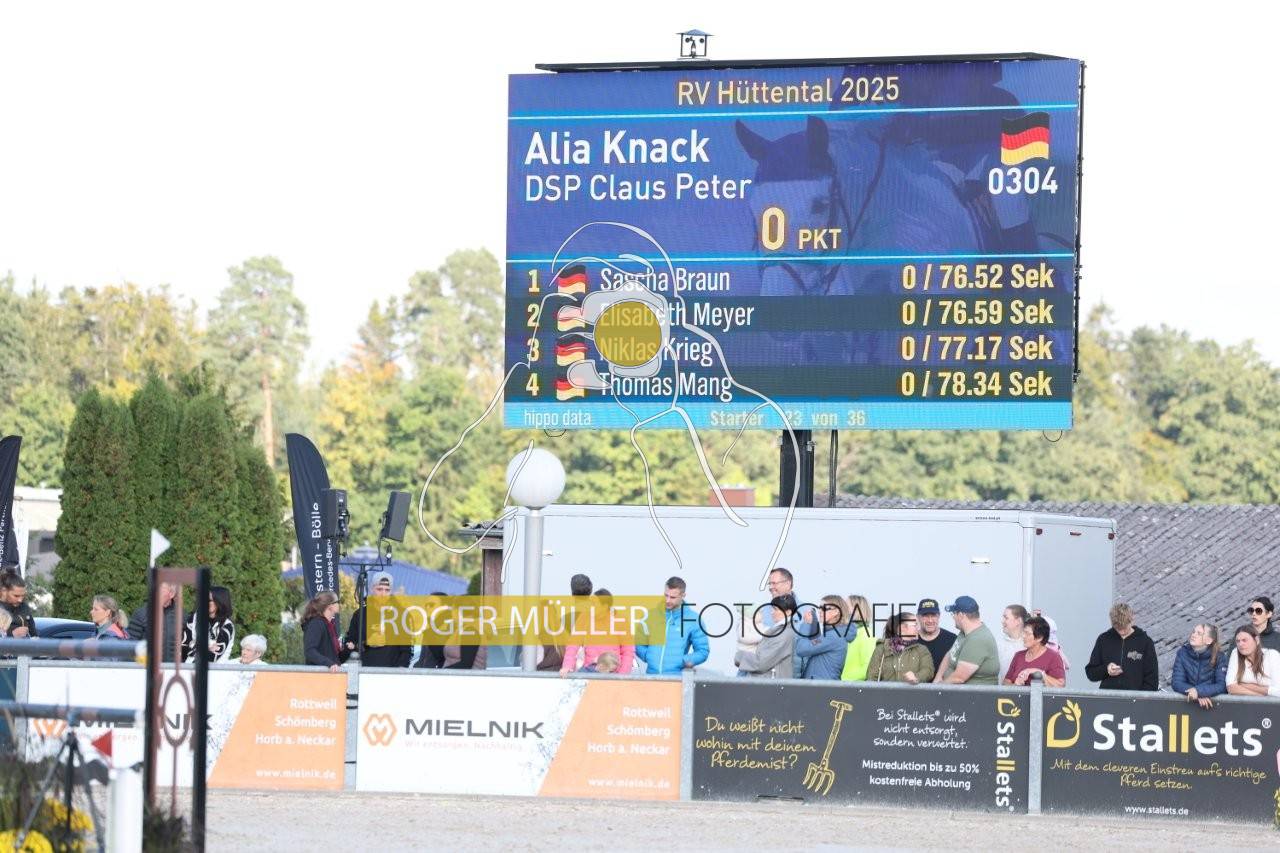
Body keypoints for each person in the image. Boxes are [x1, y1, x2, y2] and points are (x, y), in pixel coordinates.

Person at [635, 576, 709, 674]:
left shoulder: (693, 619)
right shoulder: (650, 615)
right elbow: (638, 643)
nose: (668, 600)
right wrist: (648, 656)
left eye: (673, 597)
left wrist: (684, 661)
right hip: (651, 677)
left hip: (676, 678)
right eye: (666, 595)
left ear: (683, 596)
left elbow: (703, 651)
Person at [560, 588, 635, 676]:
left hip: (613, 673)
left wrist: (622, 675)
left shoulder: (621, 620)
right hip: (590, 671)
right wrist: (567, 666)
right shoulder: (584, 617)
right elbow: (573, 644)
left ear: (605, 606)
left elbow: (628, 650)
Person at [1084, 603, 1158, 691]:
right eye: (1118, 628)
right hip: (1108, 697)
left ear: (1132, 620)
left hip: (1136, 698)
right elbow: (1091, 673)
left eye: (1124, 627)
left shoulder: (1145, 642)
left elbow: (1152, 680)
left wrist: (1140, 697)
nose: (1122, 632)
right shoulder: (1103, 639)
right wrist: (1106, 670)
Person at [345, 572, 411, 668]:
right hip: (364, 670)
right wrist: (366, 643)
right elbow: (350, 643)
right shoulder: (360, 614)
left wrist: (400, 670)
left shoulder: (401, 615)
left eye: (387, 590)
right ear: (372, 589)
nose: (383, 594)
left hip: (392, 671)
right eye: (379, 589)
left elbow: (406, 650)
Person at [932, 596, 1000, 685]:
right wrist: (938, 678)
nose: (953, 617)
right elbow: (951, 654)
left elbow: (959, 678)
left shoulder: (978, 640)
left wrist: (937, 688)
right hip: (954, 690)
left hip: (974, 693)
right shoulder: (964, 632)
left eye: (953, 614)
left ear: (961, 615)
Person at [763, 567, 817, 677]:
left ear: (788, 584)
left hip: (795, 679)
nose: (771, 587)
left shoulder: (807, 610)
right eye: (769, 584)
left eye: (774, 583)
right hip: (765, 678)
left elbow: (815, 645)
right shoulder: (762, 612)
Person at [735, 594, 797, 678]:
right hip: (767, 681)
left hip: (771, 683)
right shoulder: (777, 630)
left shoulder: (785, 634)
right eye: (772, 609)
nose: (772, 612)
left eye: (776, 609)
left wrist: (739, 656)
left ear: (788, 612)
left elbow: (761, 662)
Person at [866, 611, 935, 684]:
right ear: (902, 627)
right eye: (915, 625)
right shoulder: (882, 648)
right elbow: (871, 677)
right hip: (885, 691)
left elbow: (929, 670)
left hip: (912, 691)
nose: (918, 629)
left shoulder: (921, 650)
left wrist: (916, 677)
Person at [1171, 623, 1227, 708]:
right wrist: (1194, 692)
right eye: (1193, 632)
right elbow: (1177, 682)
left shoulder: (1220, 657)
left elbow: (1222, 685)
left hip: (1211, 707)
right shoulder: (1182, 653)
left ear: (1209, 641)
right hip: (1187, 706)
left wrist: (1199, 691)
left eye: (1199, 633)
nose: (1193, 635)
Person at [795, 595, 850, 680]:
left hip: (822, 686)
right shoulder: (833, 634)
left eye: (824, 608)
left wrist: (806, 624)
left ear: (836, 612)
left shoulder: (832, 636)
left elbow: (801, 649)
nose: (820, 611)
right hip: (822, 685)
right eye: (820, 608)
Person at [1004, 616, 1066, 687]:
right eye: (1023, 632)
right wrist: (1015, 685)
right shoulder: (1018, 656)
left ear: (1039, 637)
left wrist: (1040, 673)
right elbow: (1005, 683)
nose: (1023, 636)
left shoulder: (1054, 657)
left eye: (1027, 633)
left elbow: (1060, 685)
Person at [183, 585, 235, 663]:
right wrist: (207, 647)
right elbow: (184, 646)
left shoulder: (227, 625)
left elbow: (214, 656)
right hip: (189, 666)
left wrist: (195, 646)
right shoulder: (194, 618)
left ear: (219, 602)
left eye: (209, 600)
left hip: (214, 669)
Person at [127, 582, 179, 659]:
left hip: (172, 666)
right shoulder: (141, 614)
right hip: (146, 664)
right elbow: (130, 647)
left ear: (172, 594)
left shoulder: (181, 616)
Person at [1225, 624, 1280, 697]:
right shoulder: (1236, 652)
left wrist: (1244, 685)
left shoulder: (1272, 655)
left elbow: (1278, 691)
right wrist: (1262, 696)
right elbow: (1230, 687)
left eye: (1244, 640)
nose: (1240, 644)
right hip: (1249, 703)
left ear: (1256, 640)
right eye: (1238, 641)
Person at [302, 591, 349, 672]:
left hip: (330, 675)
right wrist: (328, 663)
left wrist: (348, 649)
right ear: (330, 606)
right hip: (318, 675)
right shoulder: (316, 624)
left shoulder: (329, 625)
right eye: (337, 602)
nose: (339, 604)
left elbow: (336, 657)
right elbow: (309, 651)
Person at [839, 594, 877, 681]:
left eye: (846, 605)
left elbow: (869, 668)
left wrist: (844, 680)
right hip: (842, 685)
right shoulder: (846, 634)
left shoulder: (866, 634)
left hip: (853, 687)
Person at [916, 597, 956, 672]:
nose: (930, 620)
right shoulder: (910, 640)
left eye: (933, 615)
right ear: (918, 617)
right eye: (925, 616)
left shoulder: (952, 639)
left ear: (939, 616)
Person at [0, 571, 38, 638]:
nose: (20, 600)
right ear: (4, 591)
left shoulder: (24, 607)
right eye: (16, 596)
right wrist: (11, 634)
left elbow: (34, 634)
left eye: (23, 596)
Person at [996, 605, 1029, 679]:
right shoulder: (998, 644)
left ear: (1018, 621)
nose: (1002, 621)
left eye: (1006, 618)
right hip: (1002, 686)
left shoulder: (1029, 645)